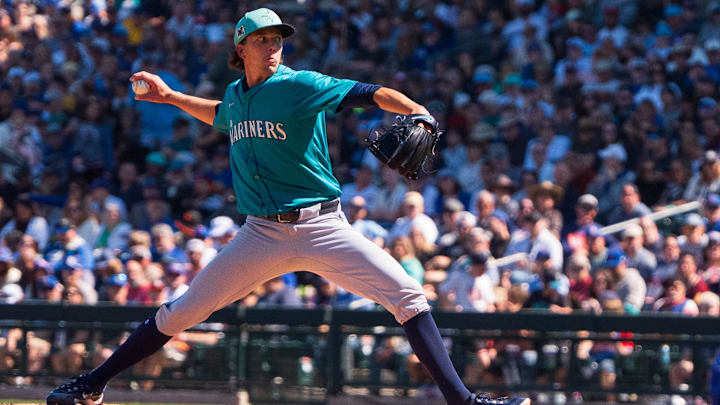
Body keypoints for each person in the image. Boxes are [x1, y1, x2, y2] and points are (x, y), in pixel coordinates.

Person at [46, 8, 528, 405]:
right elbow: (220, 115)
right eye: (262, 38)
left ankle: (464, 403)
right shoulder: (237, 96)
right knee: (180, 313)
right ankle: (92, 384)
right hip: (260, 234)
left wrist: (415, 111)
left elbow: (367, 93)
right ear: (241, 49)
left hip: (323, 226)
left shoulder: (300, 85)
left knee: (409, 297)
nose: (273, 44)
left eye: (278, 37)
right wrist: (171, 97)